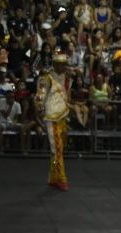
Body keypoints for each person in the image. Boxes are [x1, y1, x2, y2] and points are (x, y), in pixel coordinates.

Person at [34, 53, 72, 192]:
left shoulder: (64, 78)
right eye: (62, 64)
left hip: (62, 116)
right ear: (55, 65)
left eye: (65, 64)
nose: (64, 67)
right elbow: (39, 97)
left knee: (58, 150)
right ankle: (61, 178)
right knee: (57, 150)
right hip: (52, 118)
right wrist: (40, 111)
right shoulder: (46, 78)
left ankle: (53, 177)